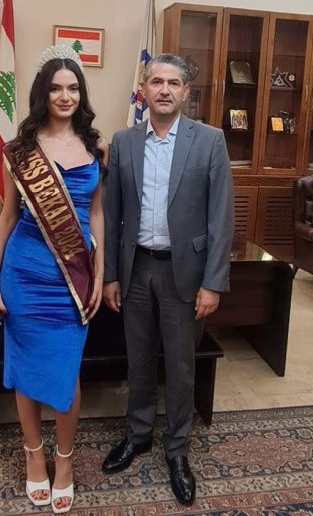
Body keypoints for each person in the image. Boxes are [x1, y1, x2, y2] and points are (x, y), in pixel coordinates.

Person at [102, 53, 234, 506]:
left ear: (185, 92)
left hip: (186, 274)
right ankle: (138, 435)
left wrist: (213, 282)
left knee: (180, 365)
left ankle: (177, 450)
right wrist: (110, 276)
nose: (163, 89)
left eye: (173, 83)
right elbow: (112, 215)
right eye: (156, 81)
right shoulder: (123, 142)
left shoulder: (210, 141)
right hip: (136, 269)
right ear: (143, 89)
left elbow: (221, 217)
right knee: (138, 359)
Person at [0, 44, 107, 514]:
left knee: (66, 370)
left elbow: (96, 214)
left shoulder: (96, 146)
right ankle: (34, 455)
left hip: (71, 278)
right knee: (27, 369)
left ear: (81, 93)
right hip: (24, 272)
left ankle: (65, 460)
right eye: (56, 88)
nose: (65, 96)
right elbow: (7, 218)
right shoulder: (20, 151)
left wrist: (100, 269)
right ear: (43, 93)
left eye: (73, 87)